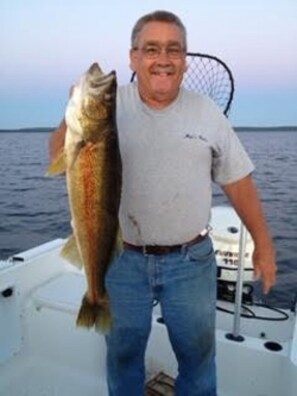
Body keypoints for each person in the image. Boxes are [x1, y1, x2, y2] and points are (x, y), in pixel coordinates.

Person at [49, 10, 277, 396]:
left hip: (191, 262)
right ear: (133, 57)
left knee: (198, 358)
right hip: (120, 260)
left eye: (174, 49)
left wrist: (265, 246)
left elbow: (239, 182)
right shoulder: (109, 104)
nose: (163, 58)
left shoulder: (206, 112)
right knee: (122, 355)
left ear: (185, 60)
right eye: (151, 48)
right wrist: (72, 115)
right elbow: (58, 158)